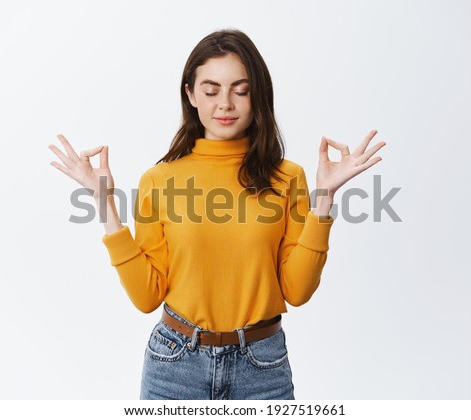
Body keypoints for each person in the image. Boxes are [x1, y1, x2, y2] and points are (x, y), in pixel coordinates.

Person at [48, 29, 385, 400]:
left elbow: (297, 290)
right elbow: (147, 297)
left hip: (263, 366)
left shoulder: (288, 177)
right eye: (211, 91)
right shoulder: (160, 180)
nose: (225, 103)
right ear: (190, 94)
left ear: (258, 95)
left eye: (240, 90)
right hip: (174, 365)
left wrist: (325, 198)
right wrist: (104, 204)